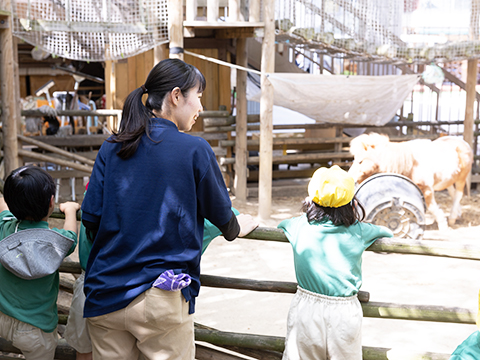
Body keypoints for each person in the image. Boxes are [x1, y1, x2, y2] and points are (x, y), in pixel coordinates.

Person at [81, 58, 258, 360]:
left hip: (105, 293)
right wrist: (237, 227)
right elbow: (223, 217)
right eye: (198, 97)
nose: (200, 107)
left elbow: (92, 218)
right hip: (160, 298)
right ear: (176, 97)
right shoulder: (194, 149)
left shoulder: (112, 146)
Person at [64, 184, 248, 360]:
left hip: (94, 285)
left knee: (87, 350)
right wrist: (235, 219)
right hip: (148, 290)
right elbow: (218, 217)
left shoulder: (99, 193)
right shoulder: (161, 204)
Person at [278, 165, 393, 360]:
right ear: (351, 202)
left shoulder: (297, 226)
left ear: (312, 198)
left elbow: (281, 225)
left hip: (306, 309)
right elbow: (388, 233)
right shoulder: (361, 231)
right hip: (344, 312)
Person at [0, 165, 80, 360]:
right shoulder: (56, 242)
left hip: (2, 317)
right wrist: (70, 210)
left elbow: (3, 208)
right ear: (51, 202)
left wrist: (8, 197)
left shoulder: (4, 228)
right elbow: (70, 235)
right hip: (37, 331)